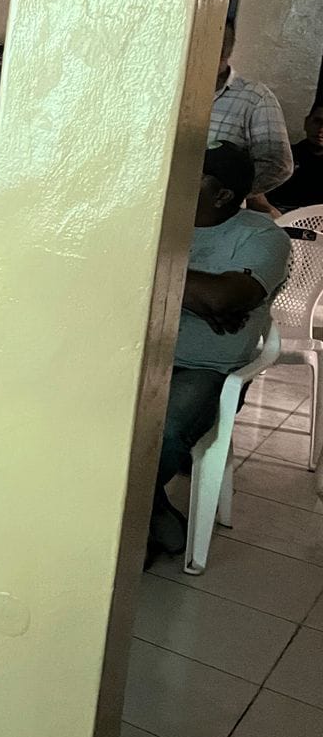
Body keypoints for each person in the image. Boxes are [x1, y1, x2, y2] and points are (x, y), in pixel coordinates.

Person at [151, 141, 293, 559]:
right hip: (138, 356)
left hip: (206, 369)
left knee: (164, 430)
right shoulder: (160, 221)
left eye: (194, 177)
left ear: (222, 195)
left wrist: (157, 277)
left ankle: (127, 523)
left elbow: (226, 298)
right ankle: (152, 514)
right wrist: (201, 298)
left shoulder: (262, 236)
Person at [210, 21, 292, 212]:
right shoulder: (170, 89)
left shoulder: (254, 98)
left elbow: (277, 165)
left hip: (218, 215)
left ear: (226, 53)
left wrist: (227, 193)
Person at [265, 101, 323, 212]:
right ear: (306, 122)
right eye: (317, 121)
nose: (321, 129)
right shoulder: (282, 156)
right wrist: (270, 210)